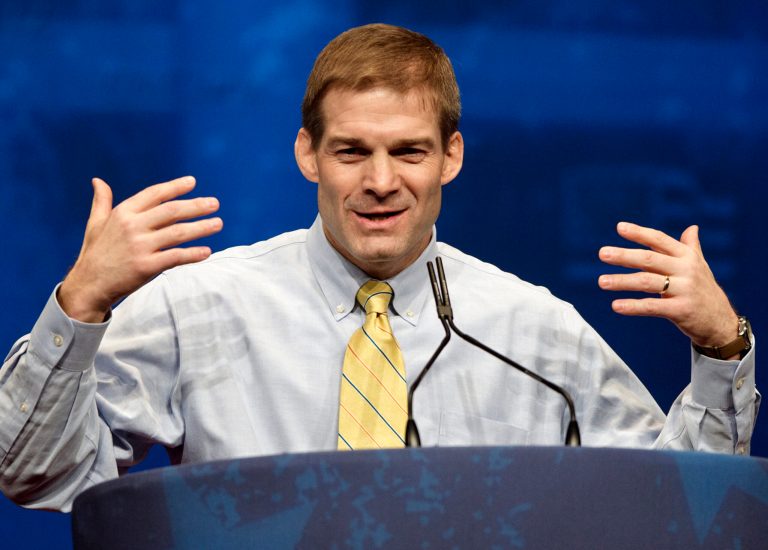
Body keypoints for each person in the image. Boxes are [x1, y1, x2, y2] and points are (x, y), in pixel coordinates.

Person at [0, 24, 757, 512]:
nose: (381, 181)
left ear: (451, 156)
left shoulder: (535, 330)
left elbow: (681, 511)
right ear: (308, 154)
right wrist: (80, 304)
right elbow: (32, 473)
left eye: (409, 151)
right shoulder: (196, 304)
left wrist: (722, 349)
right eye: (352, 151)